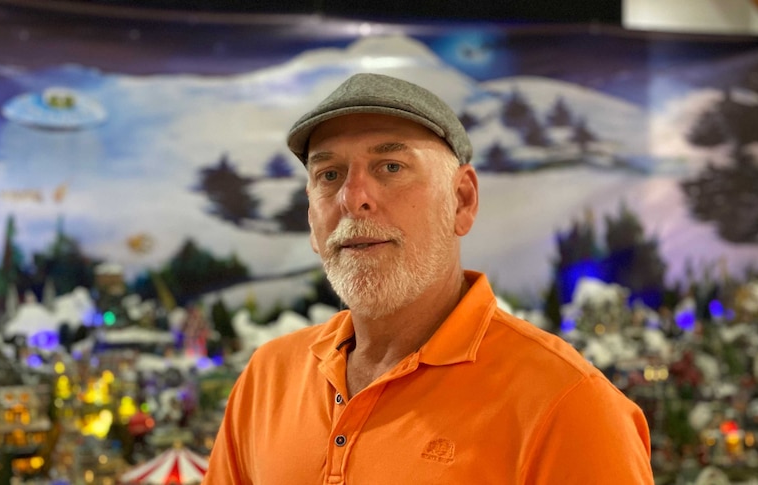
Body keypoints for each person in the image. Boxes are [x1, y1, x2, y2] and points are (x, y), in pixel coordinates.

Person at [203, 73, 654, 484]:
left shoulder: (569, 405)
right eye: (329, 174)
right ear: (310, 217)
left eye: (391, 167)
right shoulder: (268, 377)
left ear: (461, 200)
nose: (353, 197)